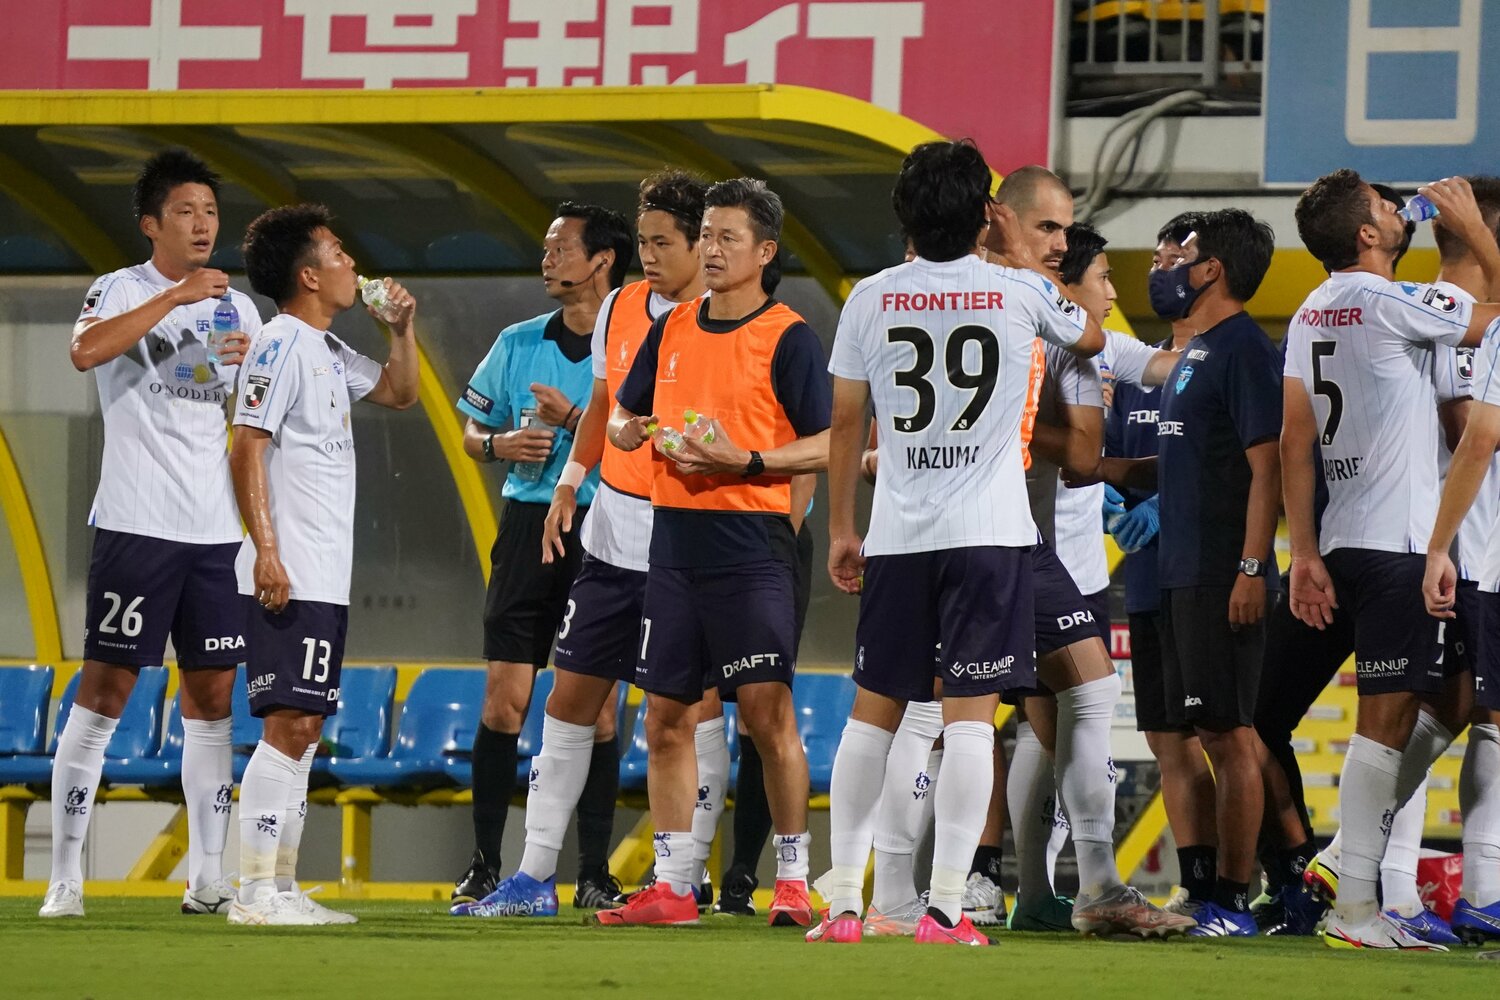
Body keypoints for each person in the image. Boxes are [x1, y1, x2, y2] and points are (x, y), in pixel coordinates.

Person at [811, 141, 1108, 947]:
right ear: (988, 213)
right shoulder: (1017, 290)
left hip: (899, 535)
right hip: (989, 538)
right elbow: (1088, 332)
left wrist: (843, 526)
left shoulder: (870, 298)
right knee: (970, 723)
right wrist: (1015, 253)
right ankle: (945, 908)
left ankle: (844, 902)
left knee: (872, 722)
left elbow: (846, 423)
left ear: (903, 216)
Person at [452, 172, 713, 918]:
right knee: (566, 703)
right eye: (647, 239)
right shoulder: (624, 309)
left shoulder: (723, 320)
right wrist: (570, 480)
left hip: (685, 538)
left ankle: (678, 881)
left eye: (664, 241)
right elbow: (605, 403)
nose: (649, 254)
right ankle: (531, 876)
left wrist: (655, 431)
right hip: (605, 532)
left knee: (675, 716)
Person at [599, 177, 830, 928]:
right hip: (673, 545)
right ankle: (672, 886)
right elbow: (627, 413)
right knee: (665, 717)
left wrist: (747, 462)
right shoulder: (672, 326)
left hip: (752, 543)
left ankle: (793, 882)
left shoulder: (789, 335)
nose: (713, 248)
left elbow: (832, 442)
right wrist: (627, 432)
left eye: (729, 237)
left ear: (764, 251)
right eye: (707, 235)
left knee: (767, 715)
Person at [1284, 169, 1500, 950]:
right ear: (1369, 234)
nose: (1395, 206)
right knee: (1391, 723)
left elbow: (1294, 438)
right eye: (1381, 205)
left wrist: (1304, 549)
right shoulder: (1402, 303)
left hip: (1347, 537)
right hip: (1405, 542)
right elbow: (1492, 329)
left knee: (1411, 714)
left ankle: (1362, 888)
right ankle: (1362, 905)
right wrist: (1476, 227)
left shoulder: (1315, 307)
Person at [42, 149, 260, 920]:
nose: (202, 226)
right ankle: (65, 875)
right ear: (151, 224)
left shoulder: (238, 307)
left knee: (212, 700)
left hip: (212, 535)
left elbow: (242, 411)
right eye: (185, 213)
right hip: (136, 524)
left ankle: (207, 877)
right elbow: (85, 351)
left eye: (209, 212)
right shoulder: (123, 288)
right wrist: (173, 299)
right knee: (106, 692)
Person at [227, 203, 419, 925]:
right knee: (289, 728)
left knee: (304, 731)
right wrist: (268, 552)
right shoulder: (278, 344)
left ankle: (280, 886)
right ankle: (253, 892)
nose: (352, 266)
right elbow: (246, 444)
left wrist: (400, 330)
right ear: (309, 274)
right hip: (292, 567)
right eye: (339, 253)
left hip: (323, 572)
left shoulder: (327, 349)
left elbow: (402, 392)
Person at [448, 203, 634, 908]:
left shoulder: (637, 339)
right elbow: (474, 426)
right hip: (528, 526)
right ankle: (484, 863)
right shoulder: (518, 340)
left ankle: (592, 871)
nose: (548, 258)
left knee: (601, 710)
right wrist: (496, 445)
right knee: (506, 700)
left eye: (562, 247)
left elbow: (643, 429)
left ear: (603, 261)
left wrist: (574, 421)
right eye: (547, 246)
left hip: (603, 528)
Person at [1102, 212, 1218, 918]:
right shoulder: (1138, 372)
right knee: (1167, 739)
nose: (1164, 265)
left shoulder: (1234, 360)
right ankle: (1196, 884)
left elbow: (1243, 469)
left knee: (1225, 736)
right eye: (1159, 253)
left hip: (1207, 576)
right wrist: (1114, 497)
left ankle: (1246, 882)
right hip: (1146, 578)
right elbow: (1105, 454)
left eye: (1181, 254)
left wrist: (1171, 505)